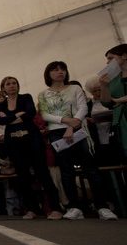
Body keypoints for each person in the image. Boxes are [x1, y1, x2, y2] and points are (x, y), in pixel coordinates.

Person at [38, 61, 117, 220]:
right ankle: (74, 207)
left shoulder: (75, 88)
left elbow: (83, 108)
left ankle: (102, 207)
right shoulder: (43, 94)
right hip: (56, 132)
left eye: (63, 69)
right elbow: (45, 115)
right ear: (48, 74)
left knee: (91, 167)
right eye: (55, 69)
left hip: (79, 129)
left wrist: (72, 126)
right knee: (66, 170)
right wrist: (67, 121)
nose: (60, 72)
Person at [0, 76, 63, 220]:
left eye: (14, 83)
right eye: (8, 84)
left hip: (32, 141)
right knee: (23, 177)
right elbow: (0, 120)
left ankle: (55, 208)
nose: (12, 86)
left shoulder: (26, 97)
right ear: (3, 88)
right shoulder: (1, 104)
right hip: (14, 144)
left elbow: (30, 113)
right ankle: (31, 209)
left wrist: (10, 117)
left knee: (42, 173)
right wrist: (19, 114)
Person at [100, 44, 127, 160]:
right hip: (123, 121)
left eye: (111, 58)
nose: (108, 63)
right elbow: (106, 103)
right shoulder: (114, 79)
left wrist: (119, 99)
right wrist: (104, 86)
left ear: (124, 56)